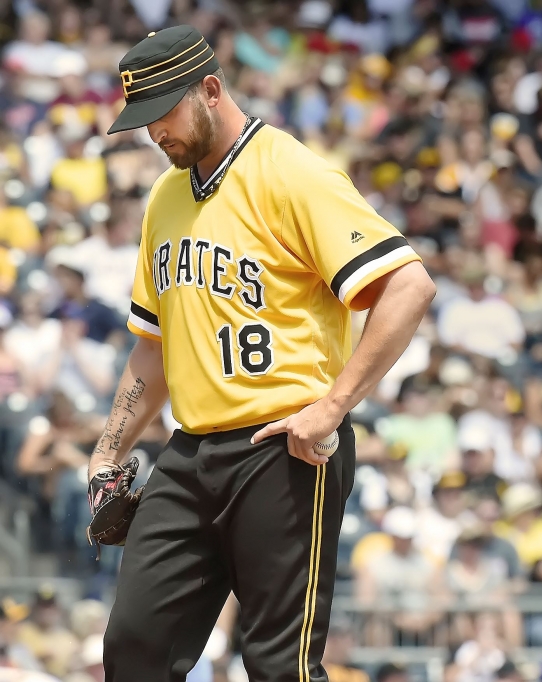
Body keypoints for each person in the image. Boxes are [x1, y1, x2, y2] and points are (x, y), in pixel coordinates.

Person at [88, 26, 434, 682]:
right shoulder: (165, 197)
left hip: (285, 447)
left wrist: (332, 407)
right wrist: (109, 448)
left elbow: (409, 285)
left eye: (162, 114)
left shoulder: (290, 171)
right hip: (190, 453)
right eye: (142, 121)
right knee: (134, 647)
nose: (153, 133)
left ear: (210, 90)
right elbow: (153, 347)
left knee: (280, 665)